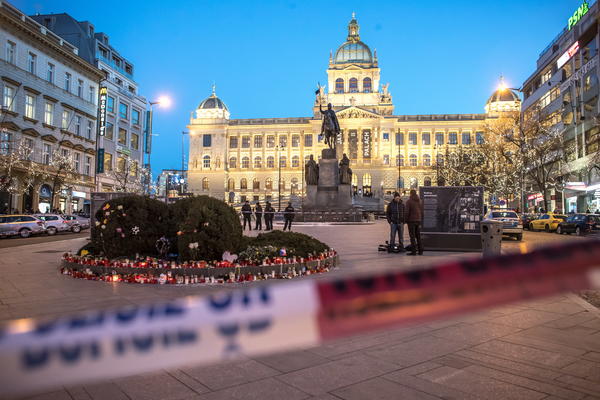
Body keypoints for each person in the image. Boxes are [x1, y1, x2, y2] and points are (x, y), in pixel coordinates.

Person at [405, 189, 423, 256]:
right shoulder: (419, 201)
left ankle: (414, 251)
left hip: (411, 221)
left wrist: (405, 220)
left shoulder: (409, 201)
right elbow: (421, 211)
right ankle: (420, 250)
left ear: (410, 194)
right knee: (418, 236)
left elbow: (407, 212)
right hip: (418, 220)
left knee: (412, 237)